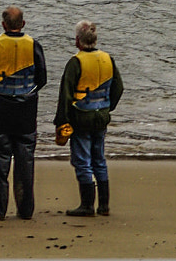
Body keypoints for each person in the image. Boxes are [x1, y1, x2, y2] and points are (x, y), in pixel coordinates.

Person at [0, 5, 47, 221]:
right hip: (26, 113)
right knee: (25, 163)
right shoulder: (34, 45)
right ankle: (25, 210)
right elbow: (42, 79)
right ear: (23, 24)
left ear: (3, 25)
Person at [54, 19, 124, 217]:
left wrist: (62, 120)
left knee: (82, 160)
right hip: (101, 116)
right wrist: (107, 108)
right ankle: (103, 205)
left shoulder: (76, 62)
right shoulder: (108, 59)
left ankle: (86, 205)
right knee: (99, 159)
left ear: (78, 41)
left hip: (81, 118)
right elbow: (118, 87)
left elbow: (65, 95)